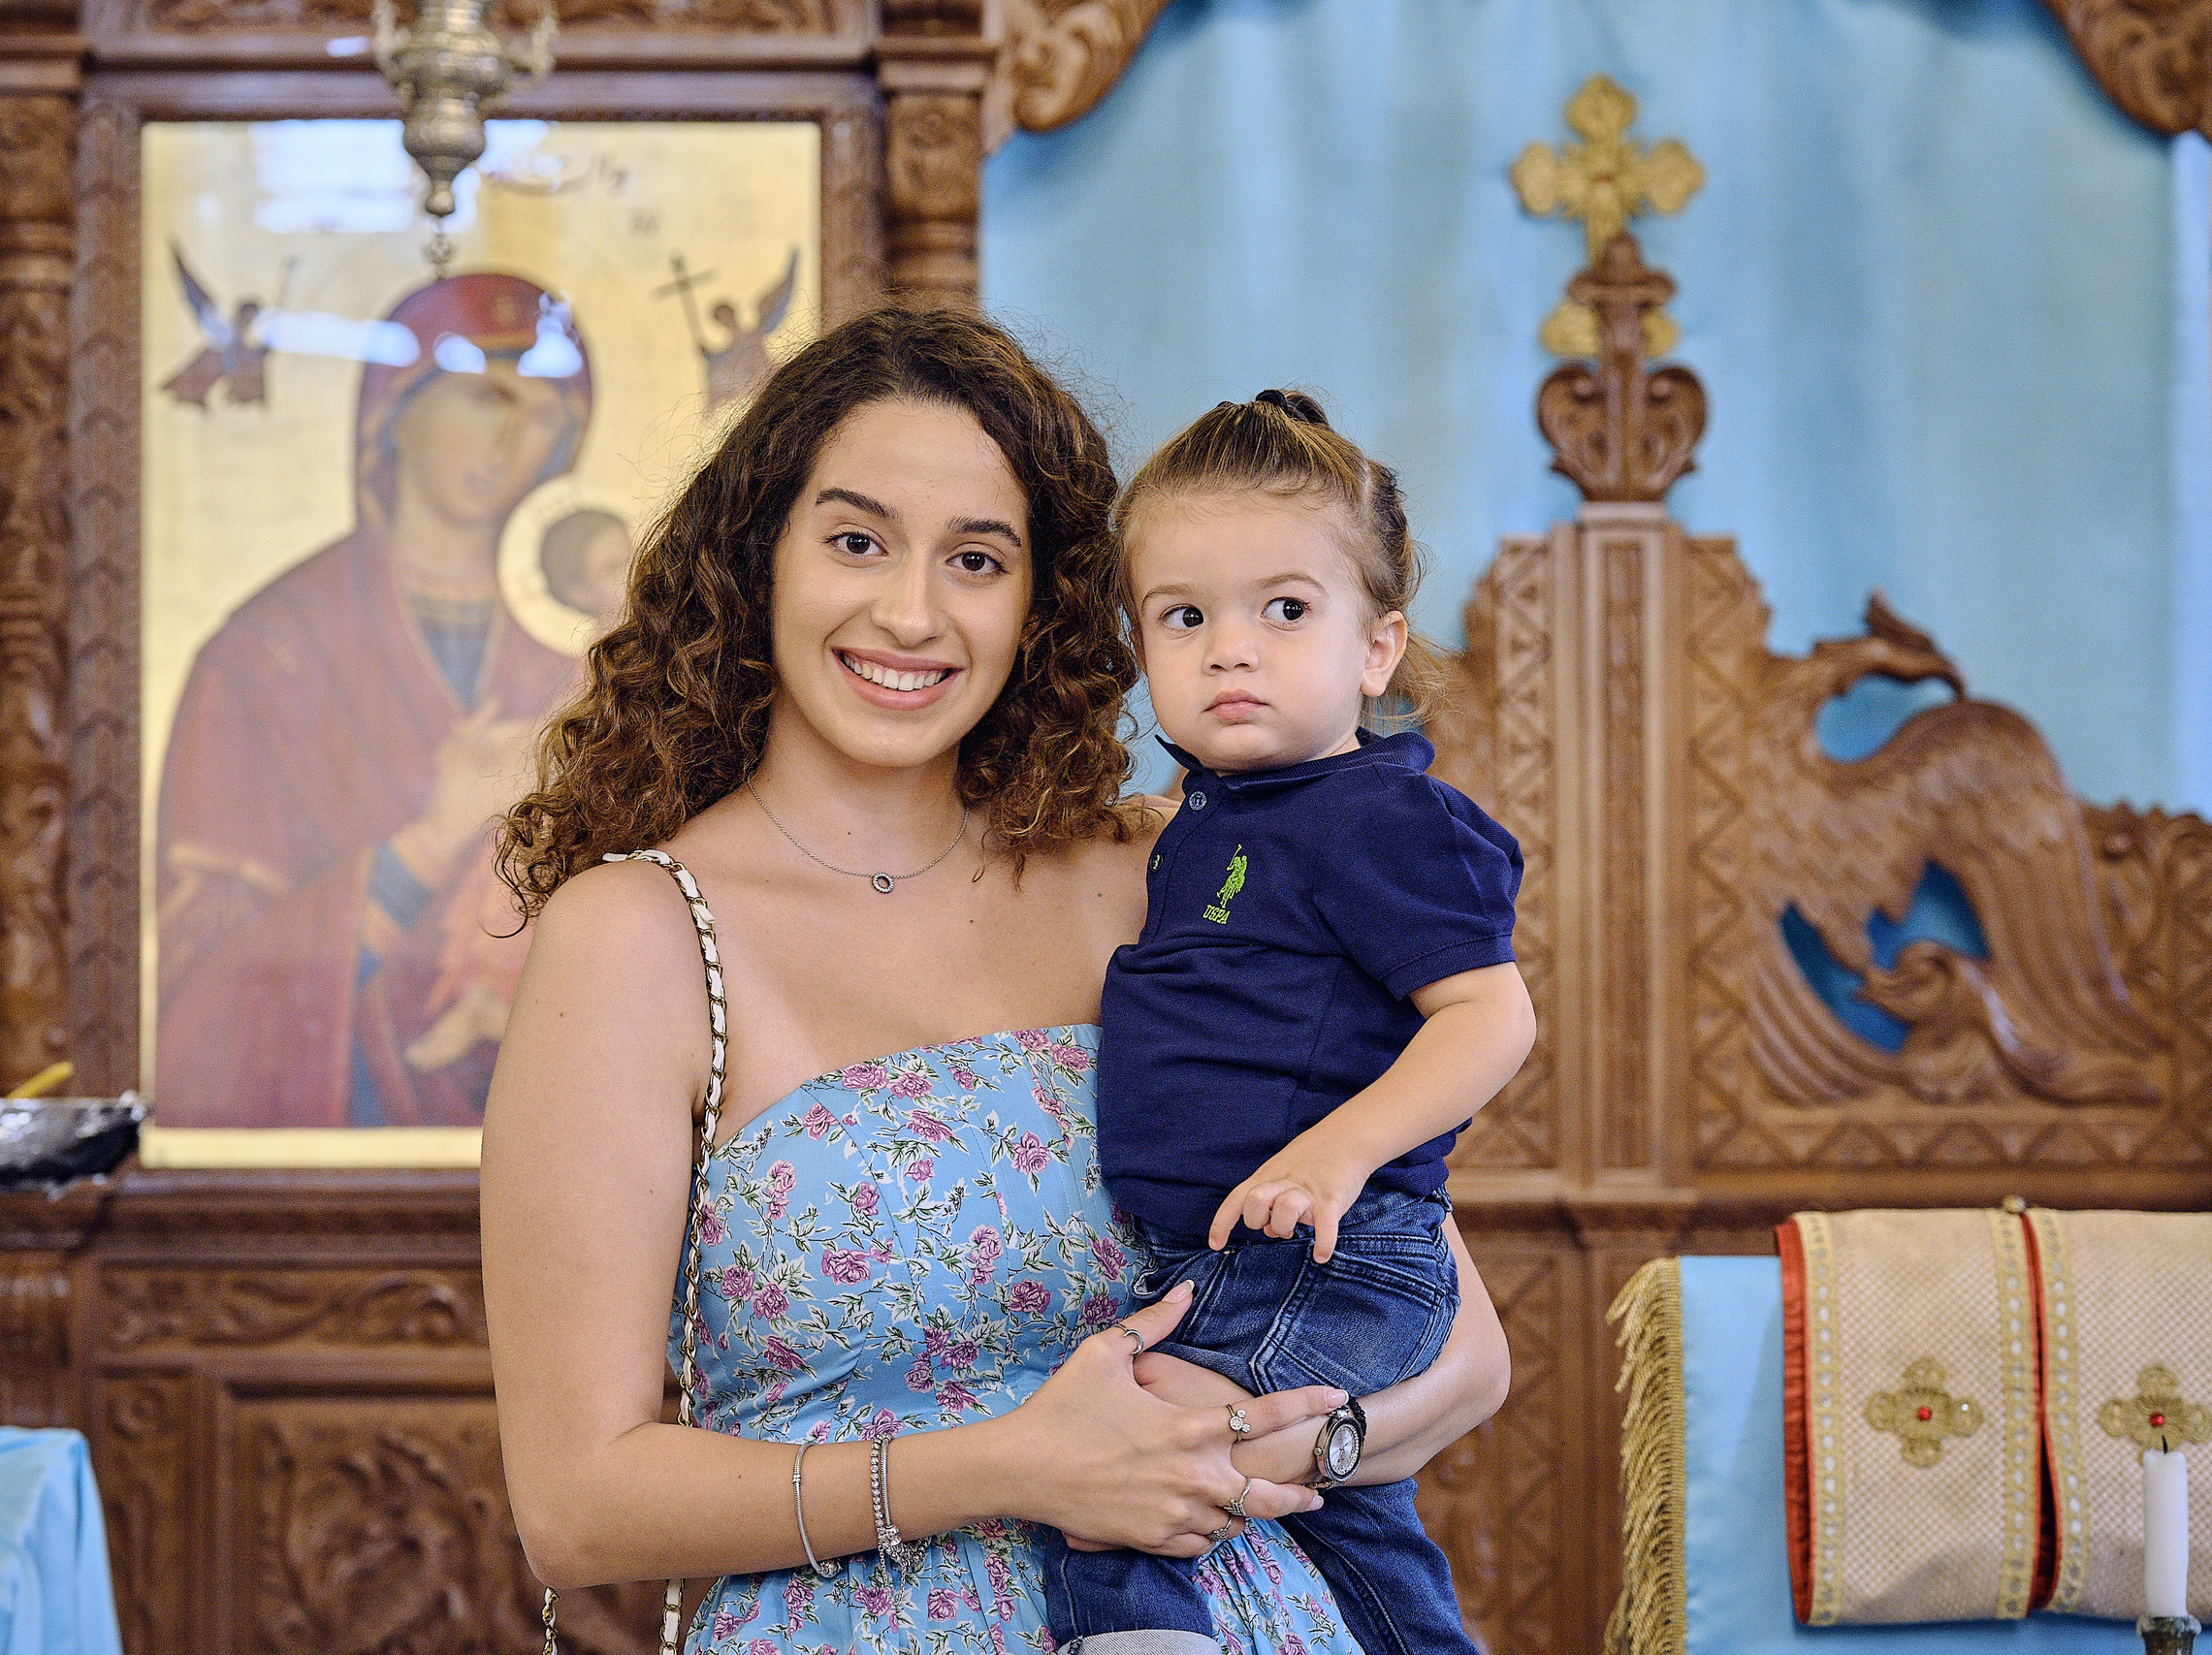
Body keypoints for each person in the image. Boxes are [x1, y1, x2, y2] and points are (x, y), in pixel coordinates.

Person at [483, 308, 1511, 1653]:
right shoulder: (638, 936)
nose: (911, 610)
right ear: (758, 560)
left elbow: (1467, 1346)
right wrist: (1020, 1464)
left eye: (978, 558)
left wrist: (1289, 1448)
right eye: (856, 540)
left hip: (1244, 1609)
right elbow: (576, 1502)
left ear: (1045, 604)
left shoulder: (1172, 869)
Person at [1041, 391, 1535, 1655]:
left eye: (1287, 609)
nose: (1230, 650)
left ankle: (1137, 1637)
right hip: (1231, 1248)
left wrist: (1338, 1151)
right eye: (1184, 615)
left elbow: (1490, 1015)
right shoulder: (1210, 816)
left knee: (1127, 1443)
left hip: (1338, 1246)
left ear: (1376, 648)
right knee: (1361, 1521)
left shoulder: (1381, 815)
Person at [156, 272, 590, 1127]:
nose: (512, 438)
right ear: (395, 406)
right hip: (327, 1135)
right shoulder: (266, 655)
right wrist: (431, 840)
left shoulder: (589, 657)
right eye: (484, 396)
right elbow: (203, 980)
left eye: (542, 414)